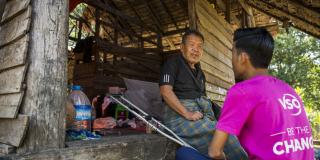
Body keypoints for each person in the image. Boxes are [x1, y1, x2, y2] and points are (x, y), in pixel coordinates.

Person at [209, 28, 315, 160]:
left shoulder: (242, 91)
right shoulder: (288, 90)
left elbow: (215, 152)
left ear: (242, 58)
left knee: (185, 153)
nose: (231, 59)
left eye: (232, 53)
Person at [159, 30, 247, 159]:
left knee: (231, 129)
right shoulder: (173, 63)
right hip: (178, 116)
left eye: (200, 46)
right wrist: (187, 113)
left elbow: (204, 99)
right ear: (182, 47)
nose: (196, 49)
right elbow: (165, 91)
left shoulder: (200, 73)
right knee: (221, 134)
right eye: (192, 45)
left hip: (199, 113)